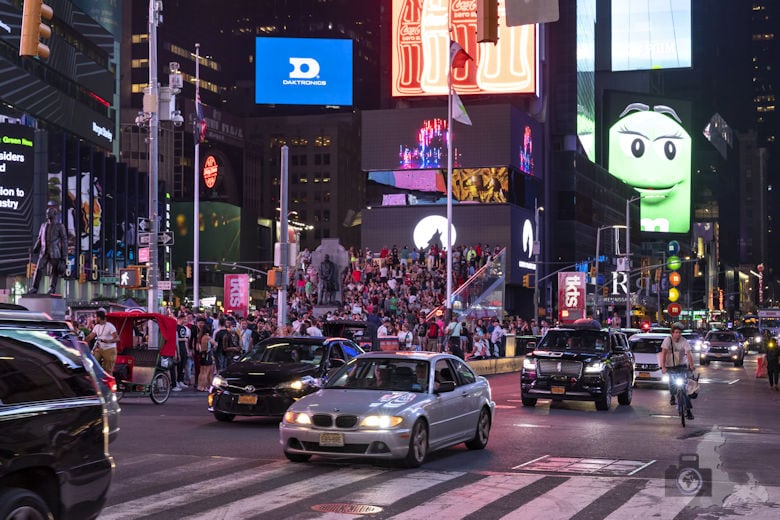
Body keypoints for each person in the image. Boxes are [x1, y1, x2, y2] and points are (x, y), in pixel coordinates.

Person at [659, 322, 695, 420]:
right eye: (676, 332)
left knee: (685, 389)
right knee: (672, 381)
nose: (678, 334)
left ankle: (688, 411)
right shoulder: (667, 340)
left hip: (682, 365)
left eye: (679, 332)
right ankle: (672, 395)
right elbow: (664, 353)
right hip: (670, 365)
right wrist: (663, 366)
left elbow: (688, 353)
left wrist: (691, 365)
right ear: (672, 333)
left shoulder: (684, 341)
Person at [30, 206, 68, 295]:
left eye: (49, 213)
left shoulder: (60, 226)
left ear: (54, 214)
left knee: (54, 271)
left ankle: (52, 288)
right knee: (38, 269)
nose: (47, 214)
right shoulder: (43, 226)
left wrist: (64, 257)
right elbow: (39, 239)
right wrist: (35, 249)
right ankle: (34, 288)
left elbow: (64, 242)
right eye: (47, 213)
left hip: (55, 253)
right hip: (44, 252)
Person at [86, 310, 120, 374]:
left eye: (95, 317)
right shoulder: (96, 326)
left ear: (99, 318)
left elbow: (117, 338)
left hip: (109, 349)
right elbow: (90, 337)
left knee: (108, 370)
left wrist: (108, 341)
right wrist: (82, 342)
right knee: (92, 362)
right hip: (100, 348)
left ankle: (109, 383)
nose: (94, 319)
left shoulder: (110, 326)